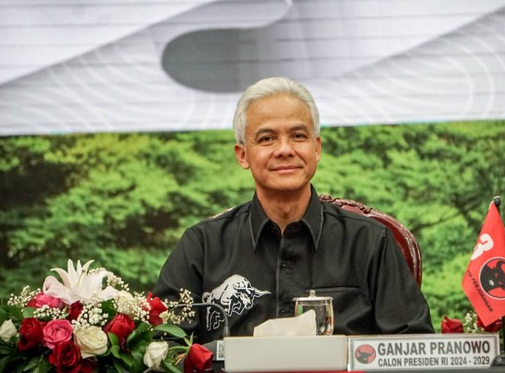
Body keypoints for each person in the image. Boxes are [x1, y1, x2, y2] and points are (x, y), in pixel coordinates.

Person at [152, 77, 433, 343]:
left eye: (298, 136)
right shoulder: (201, 247)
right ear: (242, 155)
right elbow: (165, 352)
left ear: (317, 148)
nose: (285, 149)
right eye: (267, 139)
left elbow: (413, 352)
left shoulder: (370, 242)